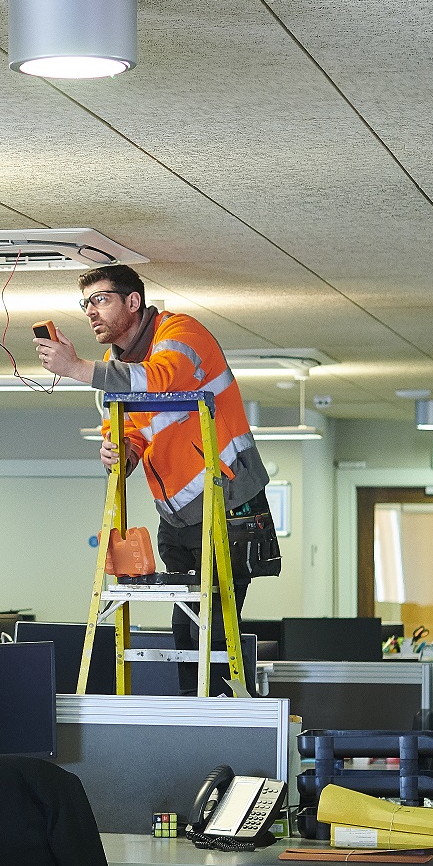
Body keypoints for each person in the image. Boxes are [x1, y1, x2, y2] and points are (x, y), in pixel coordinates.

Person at [34, 265, 276, 694]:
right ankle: (192, 719)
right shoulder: (117, 364)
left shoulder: (182, 333)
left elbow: (163, 380)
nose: (91, 312)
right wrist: (117, 453)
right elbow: (127, 432)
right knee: (186, 632)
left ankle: (227, 727)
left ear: (133, 301)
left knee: (217, 634)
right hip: (178, 517)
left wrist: (76, 368)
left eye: (101, 299)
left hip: (228, 502)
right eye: (86, 303)